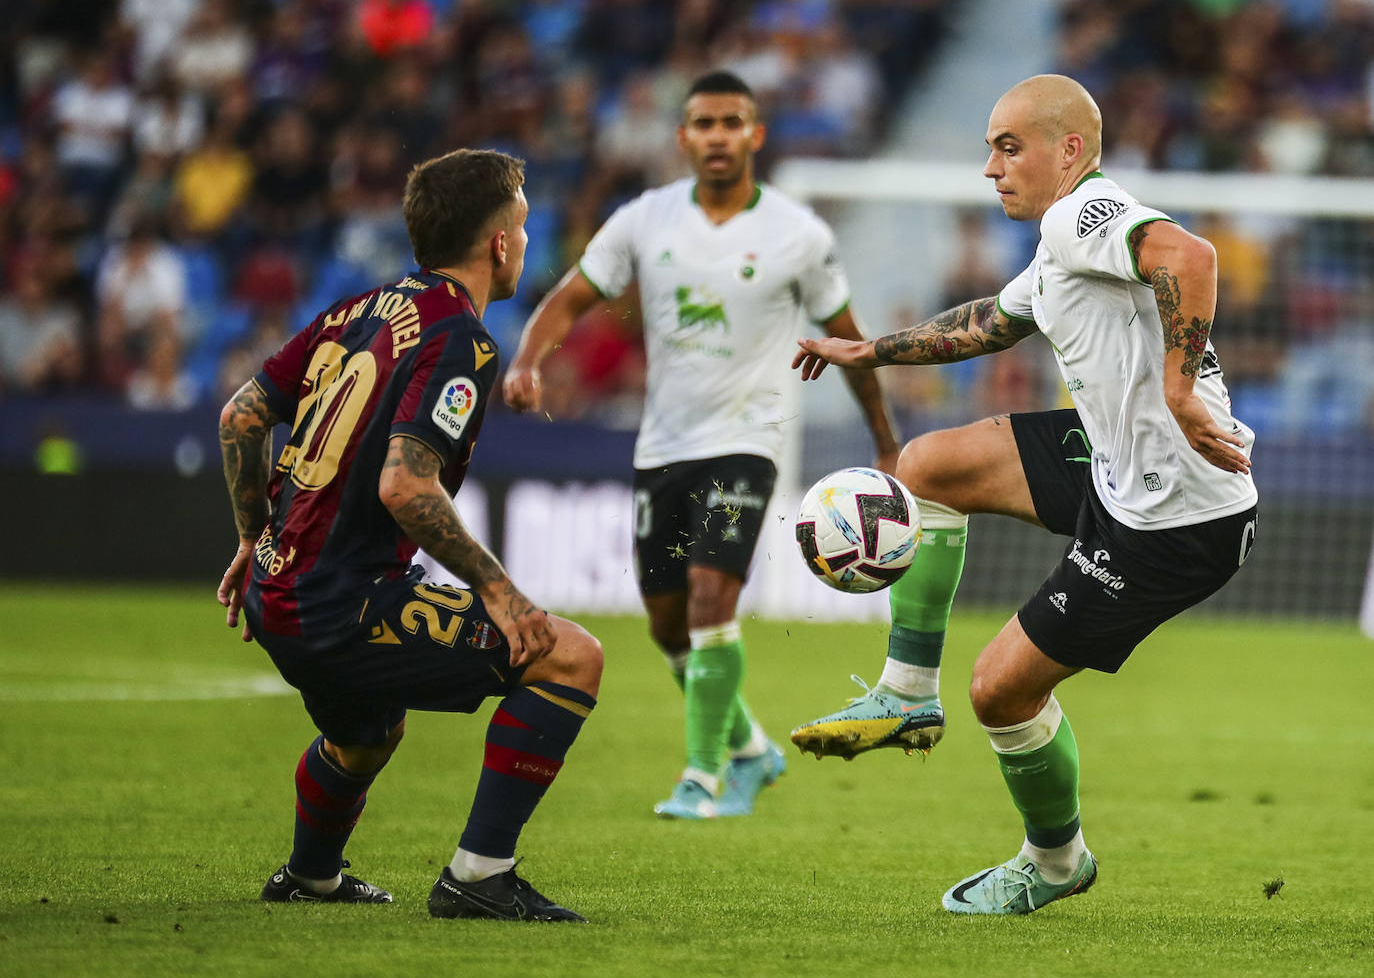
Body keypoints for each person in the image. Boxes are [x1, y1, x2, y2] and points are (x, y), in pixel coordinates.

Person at [789, 74, 1258, 914]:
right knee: (927, 466)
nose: (990, 167)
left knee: (1000, 691)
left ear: (1069, 151)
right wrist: (875, 352)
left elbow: (1191, 256)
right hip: (1120, 466)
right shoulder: (1058, 243)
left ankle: (1055, 862)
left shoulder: (1086, 214)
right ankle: (903, 693)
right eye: (988, 149)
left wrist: (1180, 388)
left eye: (1009, 147)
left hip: (1173, 516)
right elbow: (990, 321)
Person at [502, 70, 901, 820]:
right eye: (704, 123)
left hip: (746, 444)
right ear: (683, 137)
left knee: (713, 598)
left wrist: (884, 437)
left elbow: (850, 340)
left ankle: (704, 776)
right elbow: (570, 298)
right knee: (666, 623)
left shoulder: (797, 234)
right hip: (663, 448)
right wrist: (528, 359)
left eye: (732, 122)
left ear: (755, 134)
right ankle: (751, 747)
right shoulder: (644, 221)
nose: (718, 135)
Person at [216, 148, 603, 922]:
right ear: (499, 244)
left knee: (367, 732)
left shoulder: (353, 311)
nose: (526, 240)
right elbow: (405, 484)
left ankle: (311, 877)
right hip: (340, 602)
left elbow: (241, 416)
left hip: (273, 590)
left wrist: (255, 536)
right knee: (567, 655)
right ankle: (479, 876)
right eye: (523, 225)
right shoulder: (460, 337)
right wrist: (501, 592)